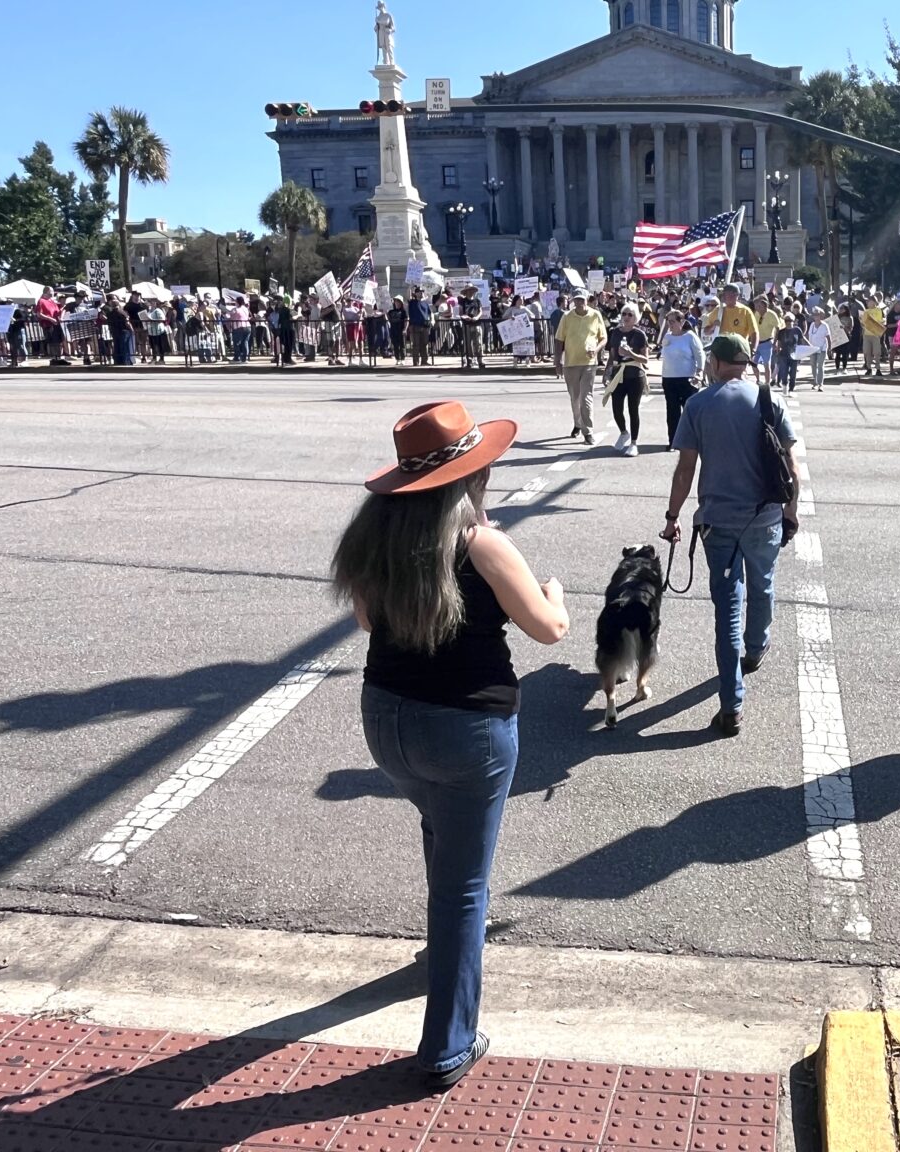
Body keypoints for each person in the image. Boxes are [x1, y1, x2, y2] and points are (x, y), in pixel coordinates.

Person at [332, 400, 569, 1090]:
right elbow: (549, 629)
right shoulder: (482, 544)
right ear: (473, 476)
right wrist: (555, 593)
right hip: (468, 728)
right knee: (465, 887)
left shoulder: (376, 539)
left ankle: (442, 958)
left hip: (387, 719)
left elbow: (366, 618)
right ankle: (447, 1046)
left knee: (440, 830)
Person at [662, 335, 800, 736]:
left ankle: (732, 706)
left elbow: (685, 470)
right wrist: (791, 511)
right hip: (765, 517)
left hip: (718, 521)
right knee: (763, 584)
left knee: (727, 609)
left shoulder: (698, 404)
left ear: (717, 363)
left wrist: (672, 517)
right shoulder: (768, 399)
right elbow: (790, 465)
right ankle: (756, 648)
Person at [553, 290, 608, 444]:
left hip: (589, 363)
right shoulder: (567, 316)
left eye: (582, 300)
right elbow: (559, 340)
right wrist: (557, 361)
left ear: (587, 300)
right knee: (575, 398)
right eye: (576, 300)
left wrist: (596, 350)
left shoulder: (595, 315)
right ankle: (578, 424)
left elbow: (603, 338)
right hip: (571, 363)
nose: (579, 303)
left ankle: (588, 431)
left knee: (586, 397)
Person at [605, 304, 650, 456]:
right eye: (624, 313)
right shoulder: (615, 333)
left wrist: (630, 353)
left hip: (635, 374)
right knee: (616, 407)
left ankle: (634, 443)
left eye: (630, 314)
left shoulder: (639, 334)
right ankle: (624, 432)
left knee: (633, 409)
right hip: (618, 373)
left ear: (635, 317)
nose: (626, 317)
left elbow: (645, 359)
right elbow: (612, 355)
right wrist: (607, 372)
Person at [659, 308, 704, 446]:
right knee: (672, 411)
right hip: (669, 378)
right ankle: (673, 440)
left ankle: (693, 441)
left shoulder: (690, 337)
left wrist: (699, 372)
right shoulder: (667, 337)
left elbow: (700, 355)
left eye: (673, 321)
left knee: (689, 411)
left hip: (687, 378)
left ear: (682, 322)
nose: (670, 324)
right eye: (668, 321)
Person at [753, 296, 779, 386]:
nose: (757, 308)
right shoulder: (756, 313)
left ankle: (767, 383)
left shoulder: (772, 315)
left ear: (765, 306)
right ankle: (758, 380)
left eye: (759, 306)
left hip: (767, 342)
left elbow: (778, 328)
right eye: (756, 306)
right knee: (753, 363)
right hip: (756, 342)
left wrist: (775, 342)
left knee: (766, 364)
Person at [861, 294, 886, 378]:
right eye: (868, 302)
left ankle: (878, 368)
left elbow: (878, 321)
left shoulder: (878, 310)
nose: (868, 303)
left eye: (870, 301)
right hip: (867, 334)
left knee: (876, 352)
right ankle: (869, 368)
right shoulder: (866, 311)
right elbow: (863, 322)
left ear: (874, 302)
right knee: (867, 352)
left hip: (875, 334)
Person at [806, 308, 831, 390]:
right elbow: (809, 336)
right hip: (813, 348)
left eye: (817, 315)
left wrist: (830, 348)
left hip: (822, 348)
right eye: (815, 315)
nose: (816, 316)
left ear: (821, 316)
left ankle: (820, 384)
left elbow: (828, 337)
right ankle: (815, 382)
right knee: (813, 365)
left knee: (820, 365)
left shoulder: (824, 325)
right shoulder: (812, 325)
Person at [408, 286, 434, 366]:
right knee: (416, 344)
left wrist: (432, 320)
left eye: (422, 292)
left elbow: (430, 313)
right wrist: (410, 286)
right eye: (419, 292)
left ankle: (424, 361)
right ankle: (416, 362)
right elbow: (407, 296)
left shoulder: (425, 303)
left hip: (425, 326)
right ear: (416, 293)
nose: (421, 293)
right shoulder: (412, 302)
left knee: (425, 344)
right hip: (415, 326)